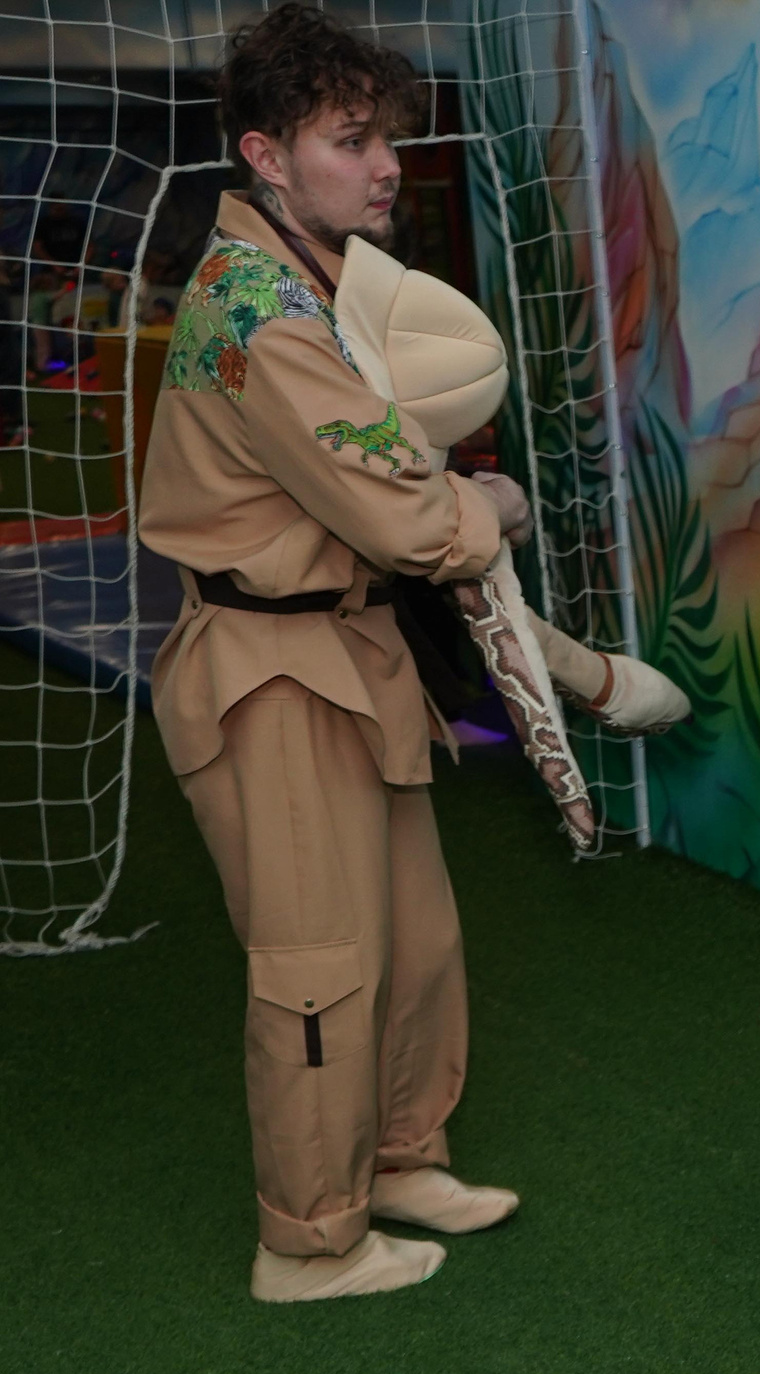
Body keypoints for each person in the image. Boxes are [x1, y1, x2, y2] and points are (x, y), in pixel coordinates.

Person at [139, 4, 534, 1302]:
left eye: (387, 138)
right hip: (271, 674)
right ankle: (308, 1238)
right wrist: (490, 510)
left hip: (347, 651)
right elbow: (406, 516)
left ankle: (402, 1155)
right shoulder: (260, 306)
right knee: (318, 968)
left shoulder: (309, 278)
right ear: (263, 151)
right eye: (351, 139)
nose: (384, 165)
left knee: (414, 938)